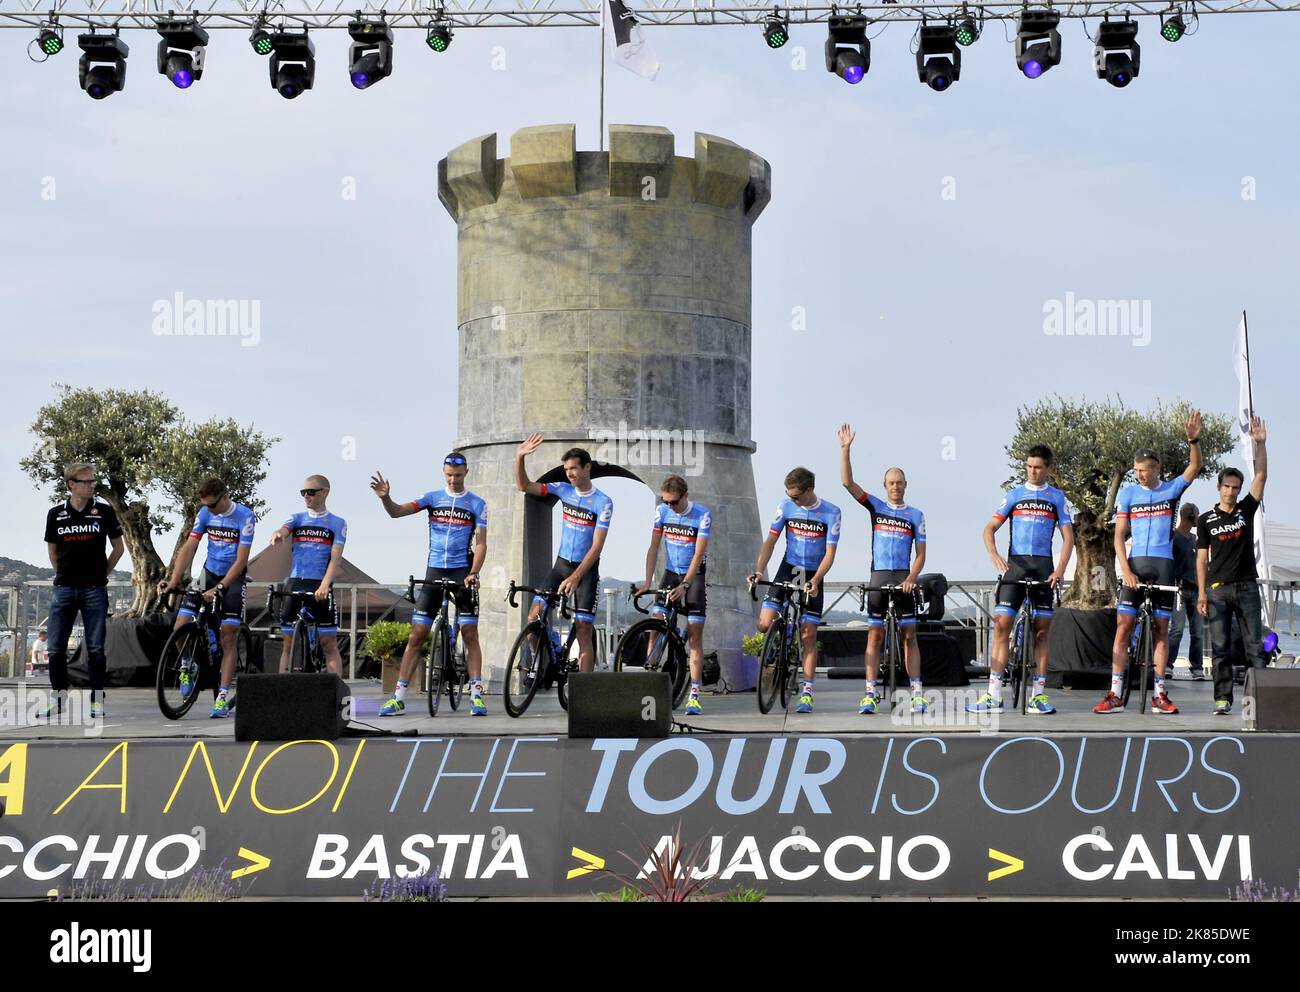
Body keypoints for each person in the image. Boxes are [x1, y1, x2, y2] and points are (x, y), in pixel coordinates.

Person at [1095, 410, 1203, 715]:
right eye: (1136, 470)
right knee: (1123, 629)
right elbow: (1118, 538)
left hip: (1163, 566)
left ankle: (1159, 694)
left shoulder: (1170, 490)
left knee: (1160, 631)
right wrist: (1126, 570)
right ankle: (1115, 694)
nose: (1140, 474)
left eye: (1145, 470)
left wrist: (1193, 439)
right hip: (1135, 565)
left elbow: (1195, 466)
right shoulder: (1128, 494)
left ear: (1157, 469)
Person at [372, 453, 488, 716]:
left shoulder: (477, 504)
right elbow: (397, 513)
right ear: (443, 473)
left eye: (458, 475)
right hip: (434, 571)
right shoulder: (432, 498)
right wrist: (385, 498)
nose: (453, 479)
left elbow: (481, 543)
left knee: (470, 635)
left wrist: (474, 572)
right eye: (449, 475)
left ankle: (477, 695)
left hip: (463, 573)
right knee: (417, 635)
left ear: (466, 473)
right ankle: (398, 696)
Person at [969, 444, 1074, 715]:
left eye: (1038, 467)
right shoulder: (1014, 495)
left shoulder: (1057, 497)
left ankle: (1038, 694)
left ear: (1048, 468)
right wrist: (993, 554)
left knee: (1041, 632)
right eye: (1028, 466)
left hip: (1043, 568)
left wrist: (1060, 570)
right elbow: (989, 529)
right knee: (1002, 624)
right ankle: (993, 694)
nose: (1032, 471)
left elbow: (1068, 538)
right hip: (1015, 567)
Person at [839, 425, 929, 715]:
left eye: (900, 483)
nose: (895, 487)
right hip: (879, 578)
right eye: (891, 483)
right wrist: (845, 449)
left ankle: (916, 692)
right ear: (885, 485)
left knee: (909, 636)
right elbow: (847, 483)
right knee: (874, 637)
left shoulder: (916, 515)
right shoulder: (876, 507)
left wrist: (912, 579)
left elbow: (921, 554)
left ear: (906, 485)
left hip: (904, 578)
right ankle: (869, 693)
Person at [157, 477, 256, 719]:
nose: (208, 509)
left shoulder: (245, 516)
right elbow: (189, 547)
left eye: (212, 505)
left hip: (233, 577)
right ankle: (187, 666)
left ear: (225, 496)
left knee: (228, 636)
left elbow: (241, 560)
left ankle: (222, 697)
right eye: (206, 505)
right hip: (207, 574)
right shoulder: (204, 514)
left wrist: (222, 587)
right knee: (180, 625)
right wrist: (173, 581)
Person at [515, 435, 613, 674]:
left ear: (587, 467)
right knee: (533, 617)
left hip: (586, 572)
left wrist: (576, 576)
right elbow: (525, 486)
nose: (570, 473)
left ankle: (585, 690)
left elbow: (597, 546)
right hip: (560, 567)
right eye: (567, 469)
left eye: (574, 468)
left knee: (583, 630)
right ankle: (541, 664)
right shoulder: (563, 489)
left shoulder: (603, 502)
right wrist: (519, 457)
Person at [748, 467, 841, 714]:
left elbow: (830, 554)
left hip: (812, 572)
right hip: (790, 567)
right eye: (789, 496)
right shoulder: (786, 507)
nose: (792, 500)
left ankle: (807, 692)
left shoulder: (831, 512)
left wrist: (817, 580)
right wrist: (758, 571)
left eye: (796, 497)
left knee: (809, 634)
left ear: (810, 490)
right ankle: (780, 639)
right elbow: (770, 541)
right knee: (764, 624)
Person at [1197, 416, 1269, 716]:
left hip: (1247, 587)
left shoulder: (1245, 510)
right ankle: (1223, 698)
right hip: (1216, 590)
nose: (1231, 491)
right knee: (1221, 649)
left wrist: (1261, 444)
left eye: (1235, 487)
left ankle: (1262, 698)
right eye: (1226, 486)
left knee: (1255, 647)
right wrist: (1201, 593)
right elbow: (1201, 558)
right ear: (1219, 487)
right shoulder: (1205, 520)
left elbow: (1262, 477)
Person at [43, 463, 124, 719]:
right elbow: (52, 551)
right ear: (72, 484)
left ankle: (96, 701)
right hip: (64, 589)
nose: (92, 485)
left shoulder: (104, 511)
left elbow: (118, 548)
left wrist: (103, 574)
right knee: (55, 648)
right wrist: (62, 574)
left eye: (93, 481)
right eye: (87, 481)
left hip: (94, 589)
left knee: (96, 648)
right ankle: (57, 700)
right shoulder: (56, 514)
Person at [637, 474, 711, 716]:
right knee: (656, 625)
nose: (670, 506)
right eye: (666, 502)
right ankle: (650, 683)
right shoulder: (662, 512)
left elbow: (699, 554)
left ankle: (695, 695)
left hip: (694, 577)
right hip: (670, 574)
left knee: (695, 636)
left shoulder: (702, 514)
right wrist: (648, 581)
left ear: (685, 495)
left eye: (674, 502)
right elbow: (653, 547)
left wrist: (687, 585)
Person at [268, 475, 347, 675]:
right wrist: (278, 533)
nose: (306, 496)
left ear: (325, 492)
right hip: (295, 582)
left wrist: (325, 584)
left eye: (311, 492)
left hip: (320, 584)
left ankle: (335, 694)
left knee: (328, 643)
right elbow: (284, 529)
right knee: (287, 643)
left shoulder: (337, 523)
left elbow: (335, 558)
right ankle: (282, 691)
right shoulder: (296, 518)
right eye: (303, 492)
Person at [1167, 502, 1205, 680]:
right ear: (1190, 515)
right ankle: (1168, 664)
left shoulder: (1193, 539)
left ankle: (1196, 667)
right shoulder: (1174, 537)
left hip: (1196, 590)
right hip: (1179, 590)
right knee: (1177, 629)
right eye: (1197, 513)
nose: (1198, 517)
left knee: (1197, 631)